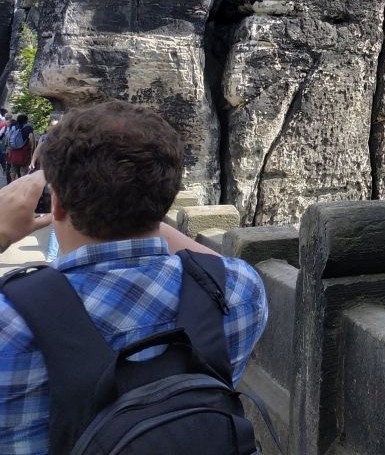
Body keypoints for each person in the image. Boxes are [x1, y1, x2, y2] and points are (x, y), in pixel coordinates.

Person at [0, 101, 269, 455]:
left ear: (57, 204)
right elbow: (216, 264)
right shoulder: (237, 292)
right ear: (166, 199)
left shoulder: (11, 323)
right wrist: (141, 201)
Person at [30, 116, 60, 260]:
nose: (54, 128)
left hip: (60, 180)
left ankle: (53, 254)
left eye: (56, 125)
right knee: (56, 217)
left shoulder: (64, 140)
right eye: (52, 125)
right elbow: (37, 151)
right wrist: (32, 161)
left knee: (57, 217)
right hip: (49, 179)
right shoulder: (45, 138)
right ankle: (52, 254)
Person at [6, 113, 35, 181]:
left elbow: (8, 137)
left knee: (13, 169)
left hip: (13, 151)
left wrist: (8, 148)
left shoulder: (13, 127)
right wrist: (33, 149)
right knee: (23, 170)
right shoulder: (28, 128)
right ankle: (22, 183)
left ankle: (12, 183)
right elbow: (31, 138)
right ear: (26, 120)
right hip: (24, 152)